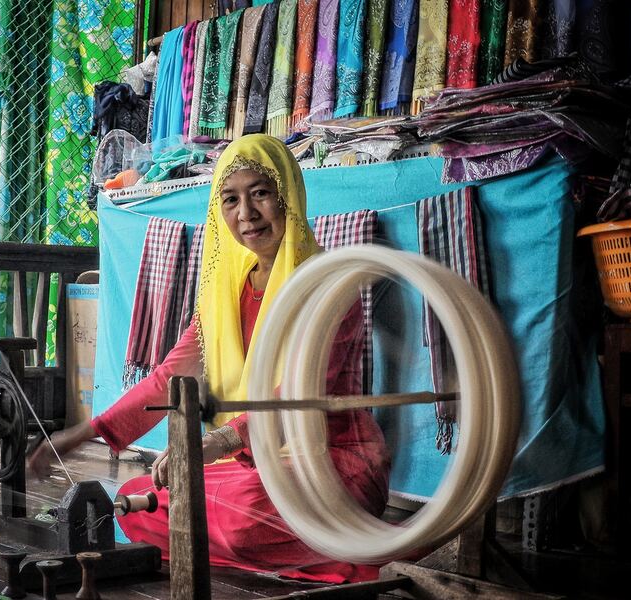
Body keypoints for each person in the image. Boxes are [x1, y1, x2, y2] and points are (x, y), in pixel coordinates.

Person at [28, 134, 390, 583]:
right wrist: (80, 435)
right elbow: (167, 378)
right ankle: (298, 547)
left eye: (261, 193)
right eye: (231, 199)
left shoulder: (328, 287)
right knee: (141, 497)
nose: (246, 214)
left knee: (239, 520)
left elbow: (296, 396)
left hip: (332, 465)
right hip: (256, 469)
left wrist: (213, 444)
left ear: (289, 197)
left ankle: (345, 550)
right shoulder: (225, 293)